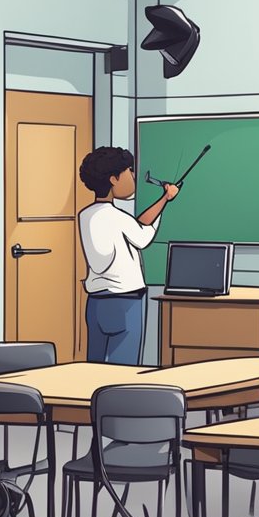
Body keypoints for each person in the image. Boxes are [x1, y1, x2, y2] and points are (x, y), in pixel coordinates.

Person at [77, 147, 178, 365]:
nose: (133, 176)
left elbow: (137, 225)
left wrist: (163, 199)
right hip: (125, 302)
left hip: (96, 303)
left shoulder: (86, 215)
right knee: (123, 367)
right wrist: (167, 199)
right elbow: (143, 236)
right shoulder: (117, 217)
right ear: (113, 179)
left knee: (95, 365)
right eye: (129, 171)